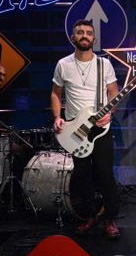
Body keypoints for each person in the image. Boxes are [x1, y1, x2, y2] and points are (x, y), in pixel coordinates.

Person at [51, 19, 121, 239]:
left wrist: (110, 112)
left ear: (94, 38)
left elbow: (114, 92)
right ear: (73, 37)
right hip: (75, 129)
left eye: (89, 33)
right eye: (80, 32)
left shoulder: (104, 64)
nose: (84, 36)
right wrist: (57, 117)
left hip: (100, 127)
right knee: (82, 175)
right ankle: (90, 216)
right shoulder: (63, 64)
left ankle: (110, 219)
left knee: (105, 174)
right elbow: (55, 93)